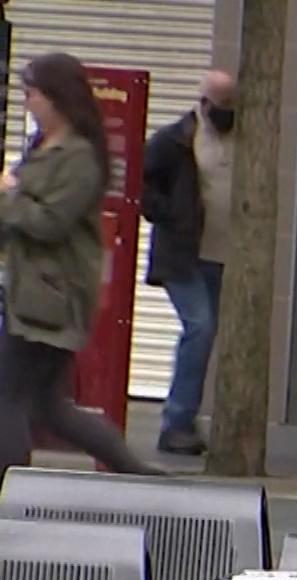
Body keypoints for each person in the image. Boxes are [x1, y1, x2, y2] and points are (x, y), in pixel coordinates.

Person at [0, 53, 156, 478]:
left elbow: (49, 221)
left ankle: (8, 486)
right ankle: (133, 470)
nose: (27, 103)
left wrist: (7, 195)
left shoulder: (79, 158)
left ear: (56, 98)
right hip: (24, 287)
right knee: (49, 407)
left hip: (48, 297)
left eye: (31, 94)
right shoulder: (40, 148)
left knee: (9, 397)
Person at [143, 69, 236, 456]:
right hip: (184, 255)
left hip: (223, 253)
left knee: (208, 333)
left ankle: (188, 418)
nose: (228, 114)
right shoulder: (175, 140)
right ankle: (176, 422)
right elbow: (141, 184)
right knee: (200, 326)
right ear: (203, 103)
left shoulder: (244, 139)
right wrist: (173, 216)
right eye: (221, 106)